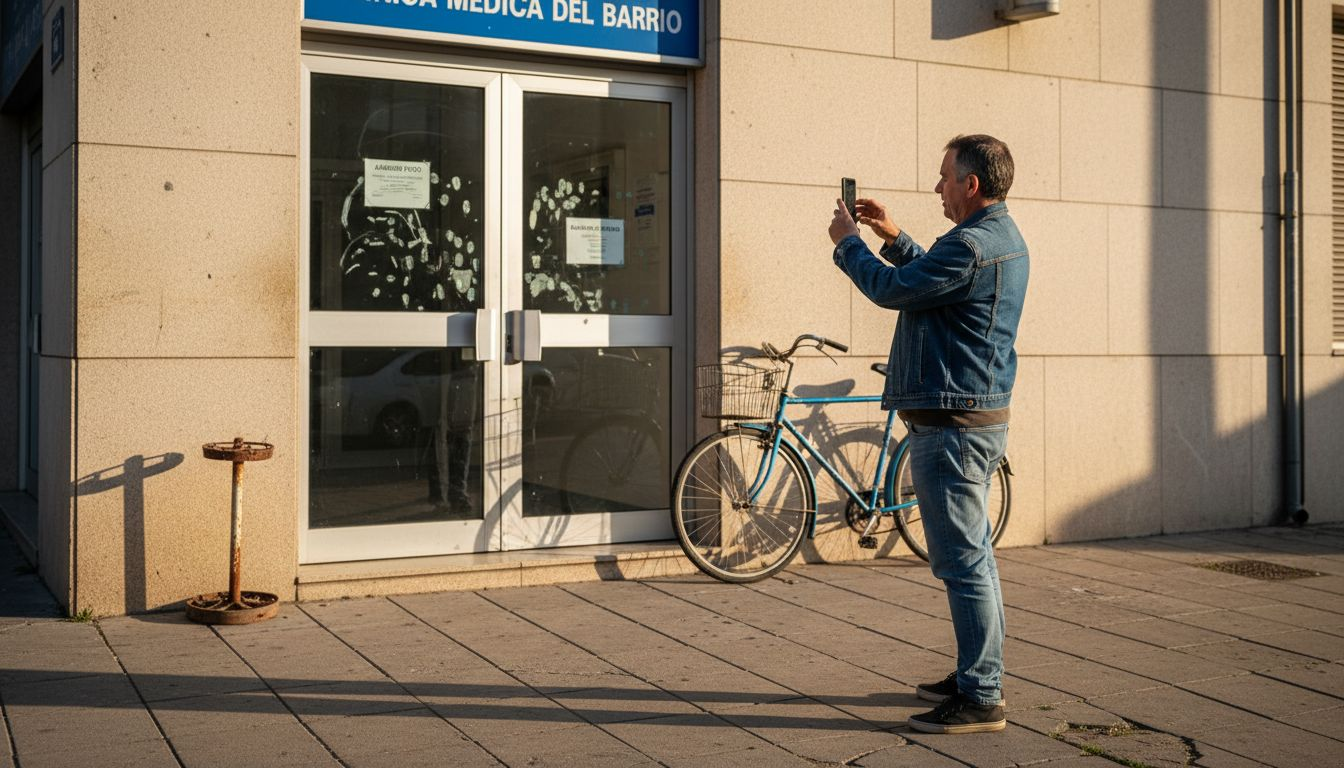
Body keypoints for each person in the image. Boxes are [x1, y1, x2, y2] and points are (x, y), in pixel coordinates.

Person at [828, 134, 1029, 734]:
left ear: (971, 183)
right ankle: (977, 674)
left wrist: (849, 244)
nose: (938, 186)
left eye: (944, 176)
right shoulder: (993, 238)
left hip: (953, 428)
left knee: (963, 563)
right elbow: (931, 278)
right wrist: (892, 236)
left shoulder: (971, 245)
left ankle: (981, 695)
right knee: (974, 560)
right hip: (967, 419)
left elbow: (895, 289)